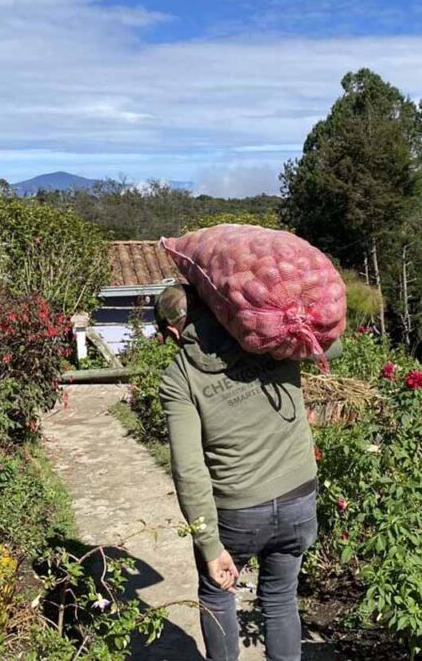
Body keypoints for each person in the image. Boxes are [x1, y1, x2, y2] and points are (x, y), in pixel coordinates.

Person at [156, 283, 338, 661]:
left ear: (174, 330)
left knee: (217, 594)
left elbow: (189, 469)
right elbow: (333, 346)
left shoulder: (179, 377)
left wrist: (209, 544)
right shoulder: (267, 335)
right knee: (280, 598)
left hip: (238, 513)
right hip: (297, 499)